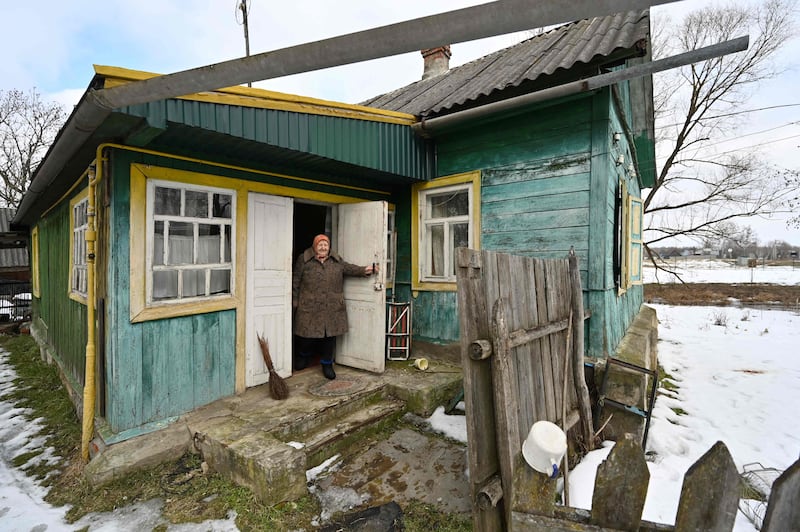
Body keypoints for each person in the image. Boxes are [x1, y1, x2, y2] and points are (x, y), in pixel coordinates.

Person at [292, 234, 376, 379]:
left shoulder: (336, 261)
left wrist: (366, 269)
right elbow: (296, 280)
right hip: (309, 305)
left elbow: (350, 269)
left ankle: (327, 363)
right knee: (306, 335)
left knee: (329, 337)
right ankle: (303, 356)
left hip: (331, 306)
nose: (323, 247)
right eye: (320, 245)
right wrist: (295, 301)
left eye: (326, 244)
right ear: (314, 247)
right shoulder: (304, 260)